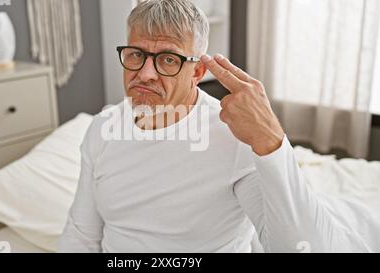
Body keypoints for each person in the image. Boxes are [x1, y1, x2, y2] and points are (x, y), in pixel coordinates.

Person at [58, 0, 373, 252]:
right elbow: (82, 235)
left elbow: (301, 248)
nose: (145, 74)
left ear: (197, 73)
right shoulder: (102, 128)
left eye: (168, 59)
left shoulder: (233, 136)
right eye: (137, 54)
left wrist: (270, 140)